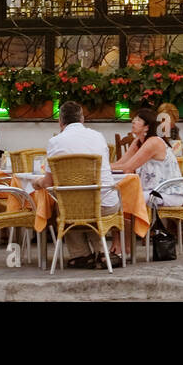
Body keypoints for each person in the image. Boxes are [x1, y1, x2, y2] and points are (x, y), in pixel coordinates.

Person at [35, 101, 119, 269]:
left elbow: (48, 183)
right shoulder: (98, 136)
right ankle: (102, 253)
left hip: (74, 208)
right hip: (107, 203)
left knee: (67, 205)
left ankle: (81, 255)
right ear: (82, 119)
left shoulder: (55, 142)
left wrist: (36, 183)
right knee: (87, 201)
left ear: (60, 122)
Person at [113, 106, 183, 259]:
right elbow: (121, 163)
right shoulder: (138, 142)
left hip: (168, 193)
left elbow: (128, 167)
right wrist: (101, 166)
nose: (133, 121)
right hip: (151, 191)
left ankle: (124, 247)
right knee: (118, 200)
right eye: (134, 119)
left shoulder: (153, 142)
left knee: (123, 201)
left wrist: (102, 167)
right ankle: (120, 244)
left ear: (147, 126)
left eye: (138, 120)